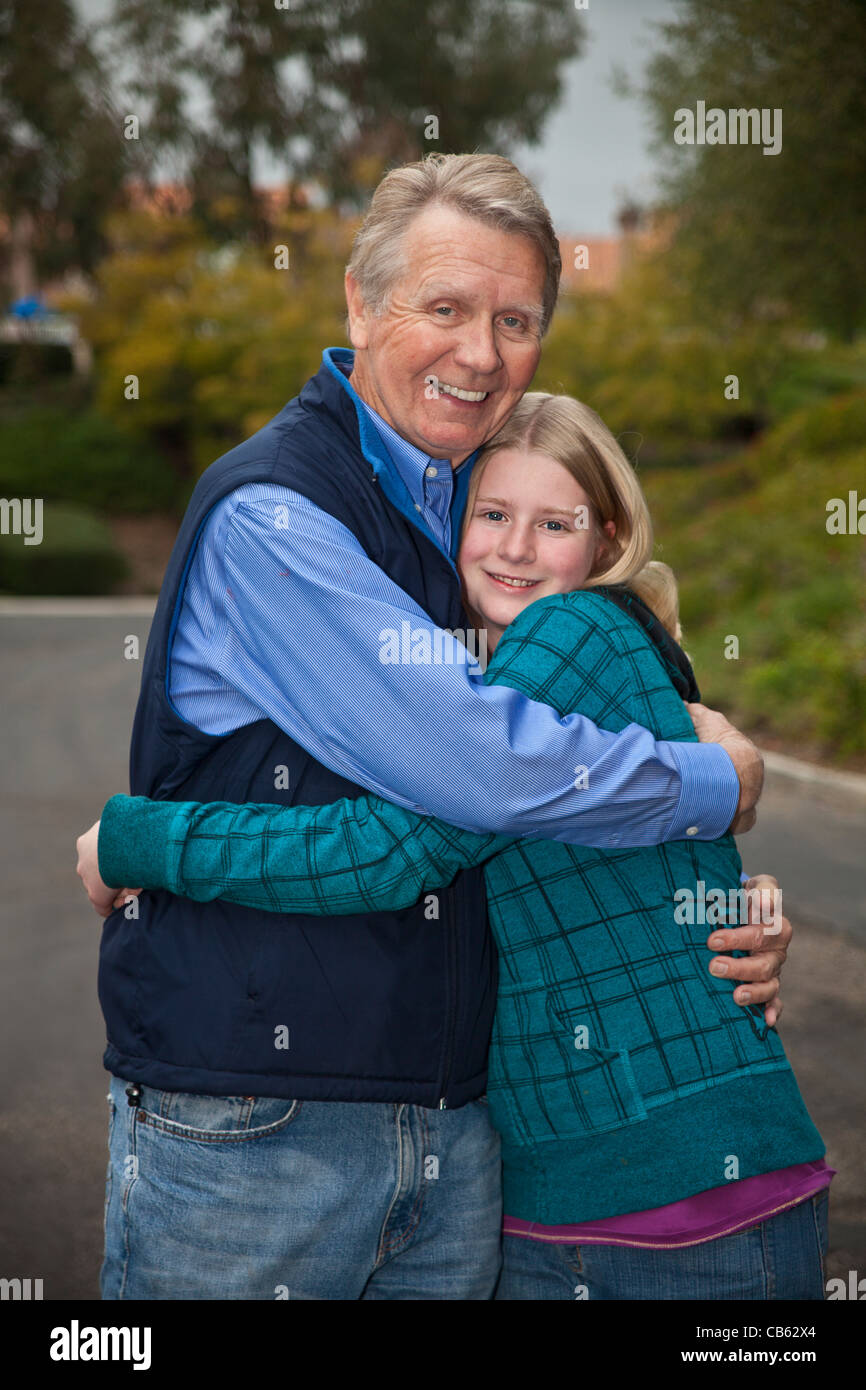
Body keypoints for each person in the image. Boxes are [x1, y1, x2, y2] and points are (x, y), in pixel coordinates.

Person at [75, 154, 779, 1301]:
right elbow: (481, 774)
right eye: (444, 307)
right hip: (264, 1131)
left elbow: (554, 810)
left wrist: (722, 910)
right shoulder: (277, 514)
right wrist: (718, 785)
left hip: (463, 1134)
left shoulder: (469, 524)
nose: (480, 352)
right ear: (360, 299)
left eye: (515, 319)